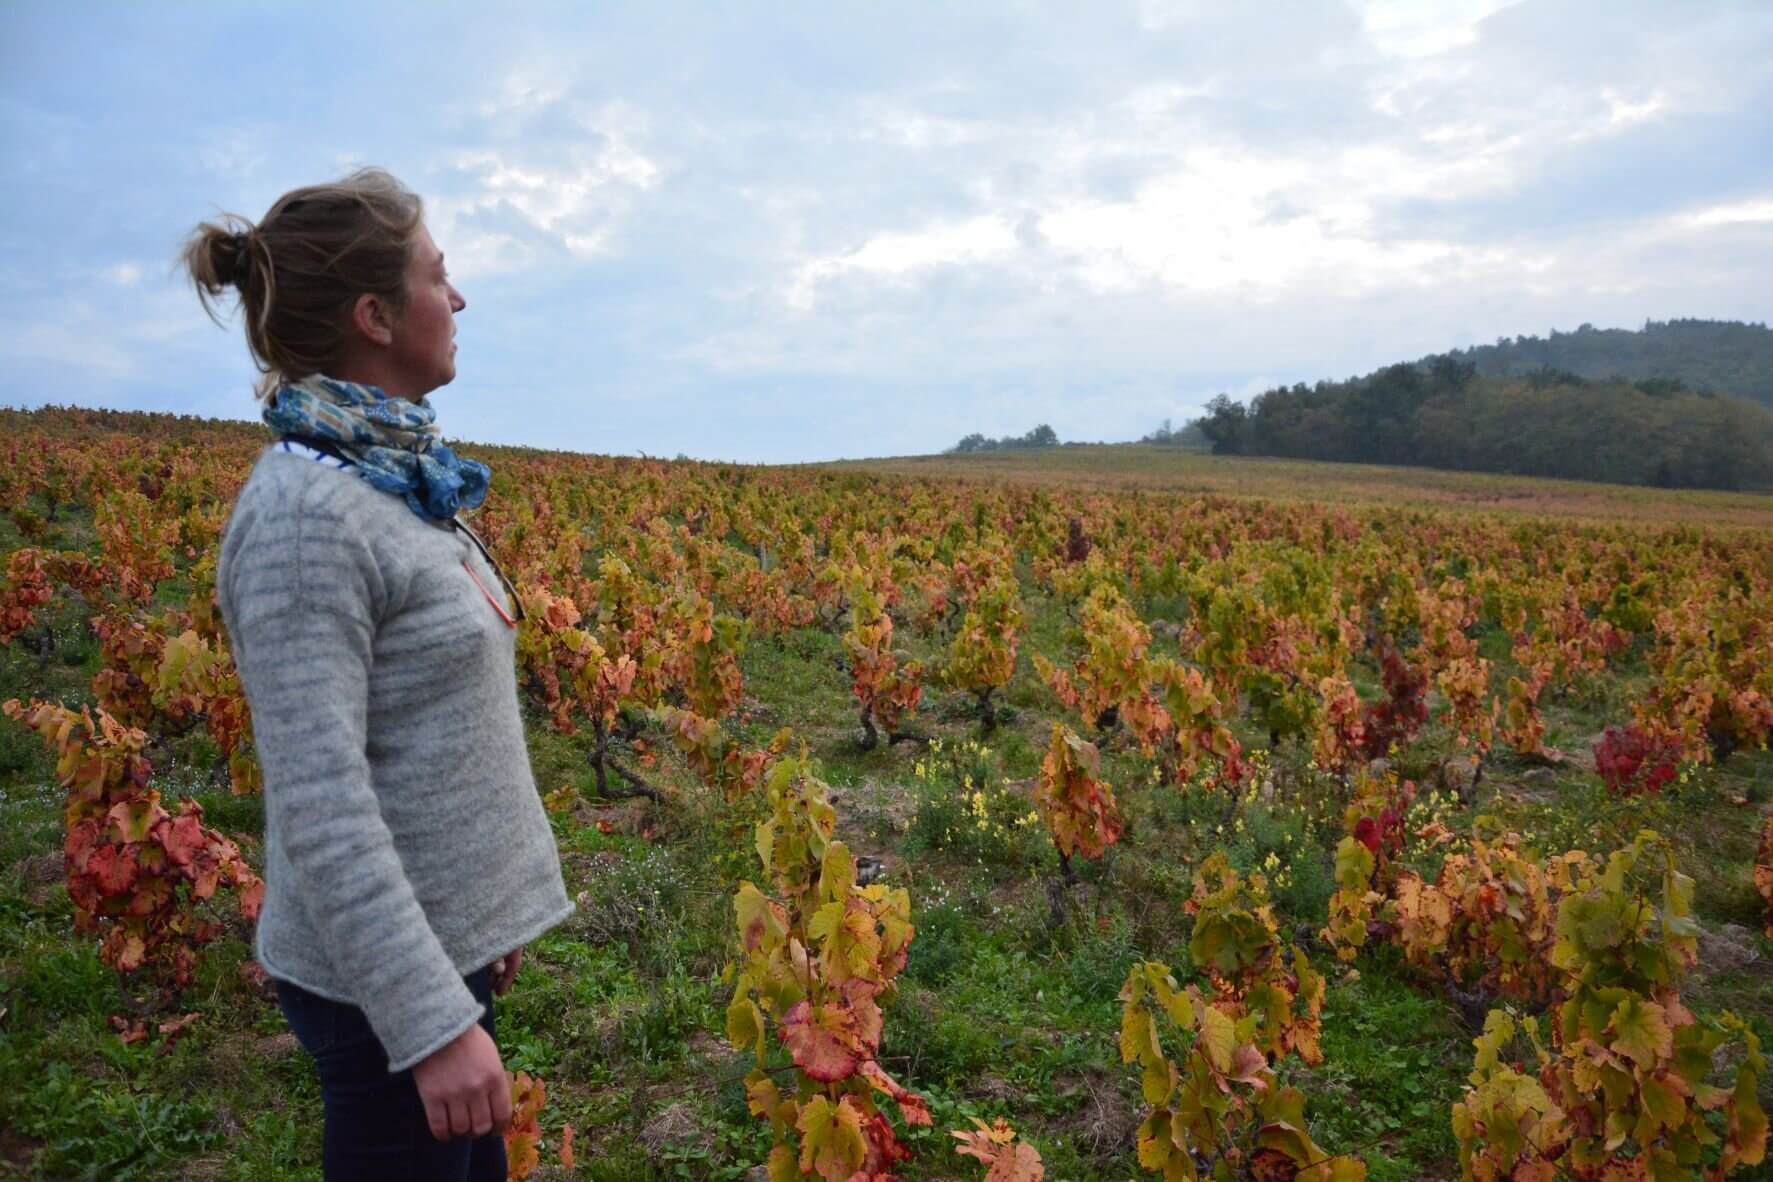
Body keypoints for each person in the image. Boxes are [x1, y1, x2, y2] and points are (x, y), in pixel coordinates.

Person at [190, 168, 572, 1181]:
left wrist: (480, 917)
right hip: (384, 1002)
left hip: (433, 961)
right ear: (373, 315)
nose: (458, 300)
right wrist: (433, 1025)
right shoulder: (306, 521)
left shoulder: (388, 478)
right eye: (438, 278)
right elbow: (321, 805)